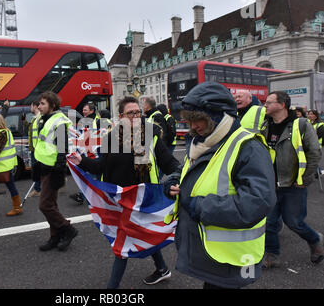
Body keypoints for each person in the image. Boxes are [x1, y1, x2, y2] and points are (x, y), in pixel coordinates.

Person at [164, 82, 276, 289]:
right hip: (212, 252)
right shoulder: (207, 140)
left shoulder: (248, 147)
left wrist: (199, 206)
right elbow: (194, 170)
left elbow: (258, 201)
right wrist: (173, 181)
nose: (193, 126)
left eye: (199, 119)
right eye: (190, 120)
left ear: (219, 116)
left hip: (232, 256)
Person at [68, 96, 181, 289]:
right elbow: (100, 167)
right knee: (142, 233)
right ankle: (162, 268)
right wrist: (82, 162)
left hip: (142, 198)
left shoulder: (149, 135)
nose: (136, 116)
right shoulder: (110, 138)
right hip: (118, 199)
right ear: (121, 116)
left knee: (122, 246)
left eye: (138, 112)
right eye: (131, 113)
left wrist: (177, 178)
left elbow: (171, 164)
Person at [261, 91, 323, 268]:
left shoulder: (301, 125)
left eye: (269, 102)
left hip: (293, 184)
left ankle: (315, 241)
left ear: (282, 105)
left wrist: (304, 178)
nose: (265, 105)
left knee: (294, 222)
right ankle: (272, 255)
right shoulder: (266, 125)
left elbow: (314, 152)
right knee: (269, 223)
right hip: (271, 184)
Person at [34, 91, 78, 252]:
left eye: (43, 104)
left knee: (45, 205)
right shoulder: (44, 119)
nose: (39, 106)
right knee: (51, 204)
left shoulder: (58, 121)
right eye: (39, 104)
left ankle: (67, 229)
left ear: (52, 105)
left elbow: (62, 147)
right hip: (44, 166)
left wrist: (59, 167)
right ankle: (55, 236)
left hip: (53, 168)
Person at [69, 102, 101, 204]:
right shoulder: (89, 121)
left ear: (91, 111)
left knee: (92, 176)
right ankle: (83, 195)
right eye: (83, 110)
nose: (83, 112)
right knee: (90, 175)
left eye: (85, 110)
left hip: (94, 153)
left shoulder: (94, 121)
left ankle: (87, 196)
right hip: (89, 153)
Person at [27, 101, 42, 198]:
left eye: (31, 106)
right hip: (34, 149)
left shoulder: (40, 118)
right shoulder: (35, 119)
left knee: (37, 170)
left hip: (38, 149)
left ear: (35, 106)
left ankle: (38, 190)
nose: (30, 108)